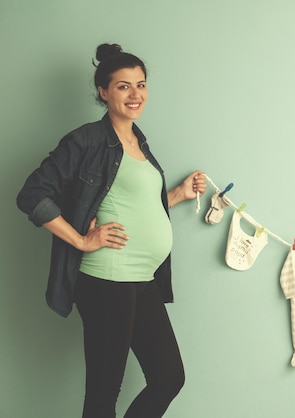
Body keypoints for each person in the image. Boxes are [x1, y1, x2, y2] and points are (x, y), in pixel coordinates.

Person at [16, 43, 207, 418]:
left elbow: (136, 205)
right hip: (106, 278)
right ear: (103, 92)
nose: (135, 94)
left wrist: (179, 196)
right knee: (104, 392)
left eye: (141, 84)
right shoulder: (87, 140)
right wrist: (82, 240)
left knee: (168, 377)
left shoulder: (140, 143)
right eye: (123, 86)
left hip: (141, 278)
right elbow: (32, 194)